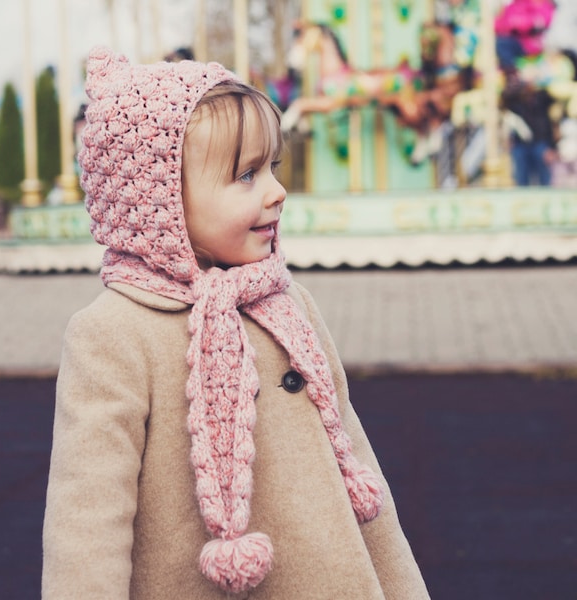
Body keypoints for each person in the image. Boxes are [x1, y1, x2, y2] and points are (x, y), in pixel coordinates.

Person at [42, 46, 430, 599]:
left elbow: (358, 468)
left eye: (271, 167)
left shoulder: (286, 304)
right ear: (160, 200)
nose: (277, 191)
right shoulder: (115, 335)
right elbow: (87, 525)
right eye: (245, 175)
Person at [501, 73, 558, 185]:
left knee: (544, 177)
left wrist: (552, 147)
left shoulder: (541, 99)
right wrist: (518, 85)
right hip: (521, 144)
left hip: (540, 142)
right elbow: (505, 97)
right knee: (521, 176)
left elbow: (548, 124)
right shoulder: (516, 101)